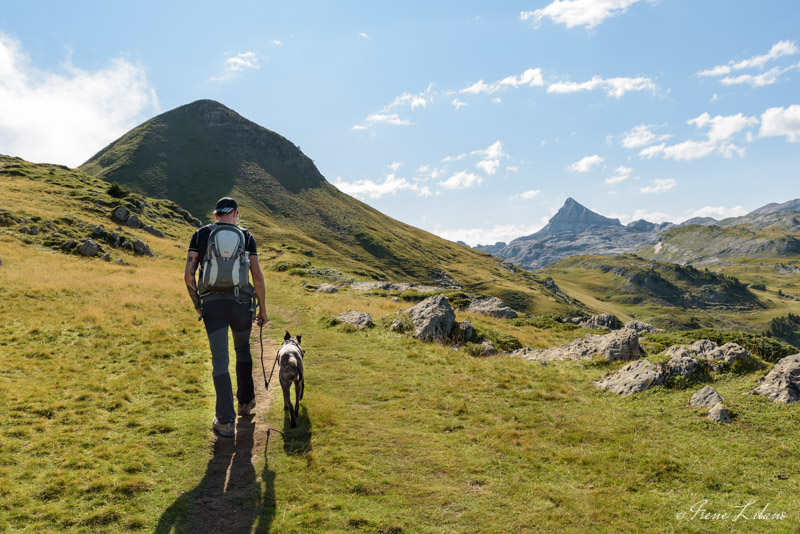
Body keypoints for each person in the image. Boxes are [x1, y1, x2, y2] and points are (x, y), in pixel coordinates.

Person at [184, 197, 268, 437]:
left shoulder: (200, 235)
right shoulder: (247, 236)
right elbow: (258, 277)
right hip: (241, 305)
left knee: (220, 360)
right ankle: (245, 402)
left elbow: (189, 276)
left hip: (213, 305)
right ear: (236, 213)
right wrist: (262, 309)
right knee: (242, 350)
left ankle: (225, 421)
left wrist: (198, 304)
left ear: (216, 214)